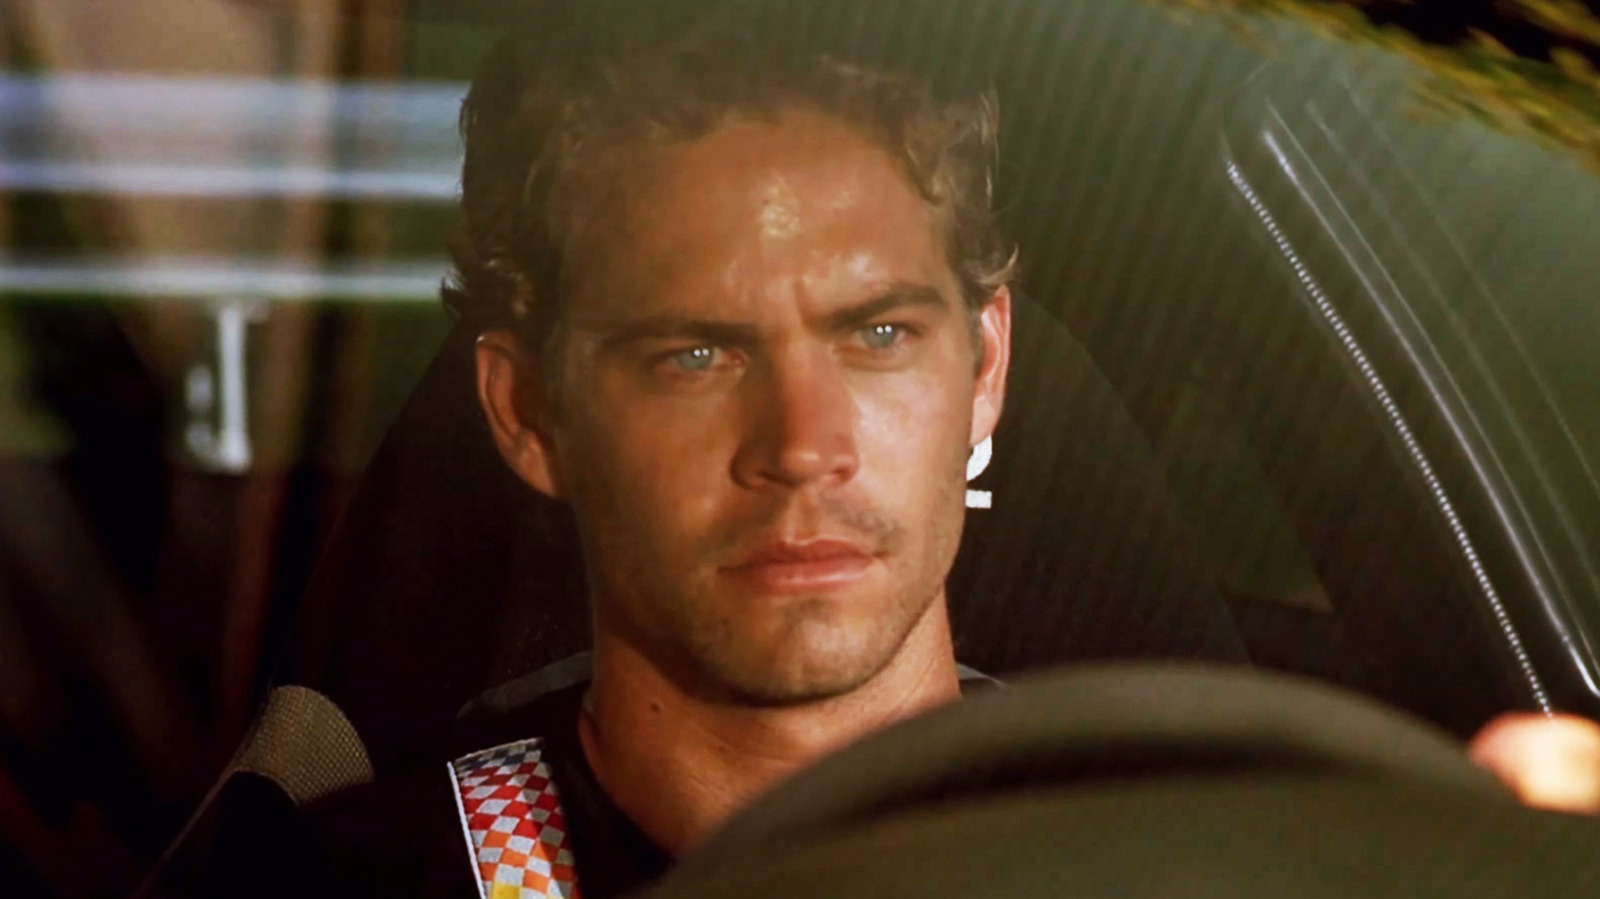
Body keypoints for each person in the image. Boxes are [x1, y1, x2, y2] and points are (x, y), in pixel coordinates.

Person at [289, 22, 1600, 899]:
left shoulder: (1219, 859)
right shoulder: (334, 884)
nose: (803, 446)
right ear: (527, 413)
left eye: (876, 335)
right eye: (695, 354)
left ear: (985, 367)